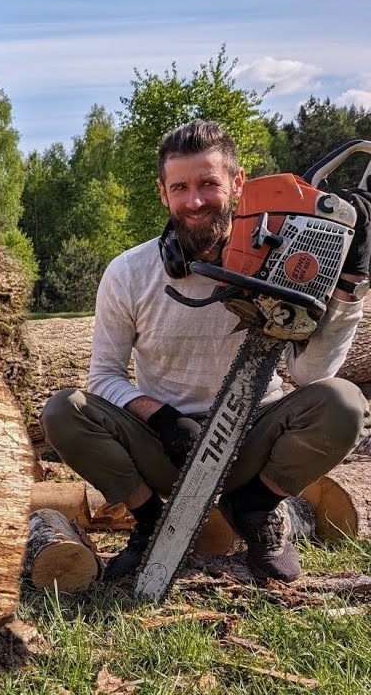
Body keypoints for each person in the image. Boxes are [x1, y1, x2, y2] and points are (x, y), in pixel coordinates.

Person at [41, 119, 371, 584]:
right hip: (164, 449)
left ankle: (256, 508)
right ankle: (150, 522)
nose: (195, 201)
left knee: (344, 402)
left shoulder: (280, 259)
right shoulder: (129, 272)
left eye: (208, 184)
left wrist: (350, 284)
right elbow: (104, 376)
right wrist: (162, 418)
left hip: (252, 443)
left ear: (237, 183)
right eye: (181, 187)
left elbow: (312, 374)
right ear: (163, 193)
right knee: (63, 410)